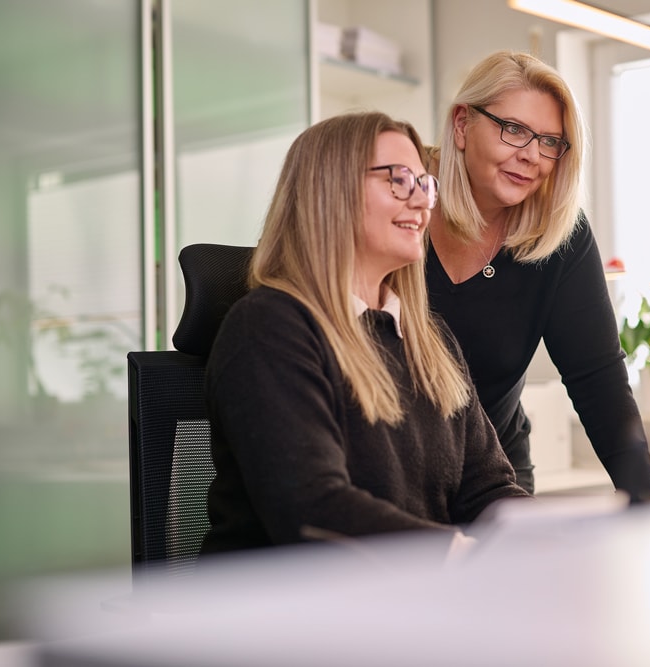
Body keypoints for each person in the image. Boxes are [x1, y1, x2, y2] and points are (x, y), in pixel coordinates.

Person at [200, 111, 529, 558]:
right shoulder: (267, 329)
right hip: (284, 615)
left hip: (400, 604)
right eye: (398, 180)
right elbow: (313, 511)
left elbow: (487, 489)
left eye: (424, 182)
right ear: (328, 192)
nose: (422, 201)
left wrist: (540, 543)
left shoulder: (430, 342)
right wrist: (457, 555)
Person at [426, 50, 650, 502]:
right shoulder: (401, 199)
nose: (532, 156)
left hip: (491, 481)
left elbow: (597, 378)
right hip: (387, 470)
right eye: (513, 130)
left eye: (550, 141)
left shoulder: (559, 234)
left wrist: (645, 501)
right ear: (461, 125)